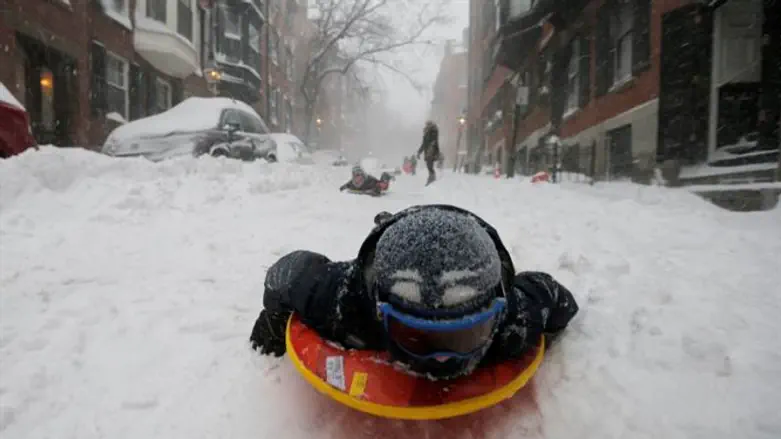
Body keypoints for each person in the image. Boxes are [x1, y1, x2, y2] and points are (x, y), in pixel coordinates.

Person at [249, 204, 579, 380]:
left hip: (468, 239)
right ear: (380, 312)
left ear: (495, 316)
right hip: (400, 241)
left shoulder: (511, 320)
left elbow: (555, 298)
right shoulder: (348, 302)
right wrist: (273, 323)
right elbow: (288, 273)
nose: (442, 358)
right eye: (414, 335)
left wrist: (550, 332)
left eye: (464, 336)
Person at [417, 121, 440, 185]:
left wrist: (431, 150)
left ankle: (432, 178)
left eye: (427, 124)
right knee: (428, 165)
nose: (426, 126)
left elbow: (434, 141)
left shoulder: (433, 130)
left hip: (432, 151)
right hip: (428, 151)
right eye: (426, 125)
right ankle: (431, 177)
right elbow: (424, 144)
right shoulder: (427, 133)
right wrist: (419, 152)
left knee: (430, 165)